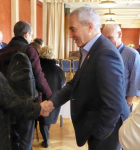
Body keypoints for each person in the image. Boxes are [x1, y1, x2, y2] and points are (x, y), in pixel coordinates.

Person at [44, 6, 129, 150]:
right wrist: (52, 104)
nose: (70, 35)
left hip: (108, 131)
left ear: (89, 26)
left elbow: (113, 104)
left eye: (73, 29)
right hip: (99, 125)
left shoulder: (105, 54)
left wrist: (100, 133)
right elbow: (74, 83)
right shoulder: (90, 50)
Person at [0, 21, 52, 150]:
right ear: (26, 34)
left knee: (14, 138)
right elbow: (39, 76)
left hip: (8, 101)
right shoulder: (29, 50)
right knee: (26, 141)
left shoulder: (3, 51)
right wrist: (50, 96)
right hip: (28, 101)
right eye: (31, 35)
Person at [102, 24, 140, 112]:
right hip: (104, 104)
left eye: (110, 37)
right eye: (104, 38)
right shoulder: (103, 53)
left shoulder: (132, 54)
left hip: (122, 104)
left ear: (119, 34)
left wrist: (126, 104)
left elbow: (135, 83)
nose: (106, 41)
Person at [38, 46, 66, 148]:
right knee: (48, 118)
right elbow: (63, 82)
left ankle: (46, 139)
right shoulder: (58, 69)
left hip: (40, 97)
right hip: (54, 98)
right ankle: (46, 137)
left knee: (42, 119)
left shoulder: (38, 68)